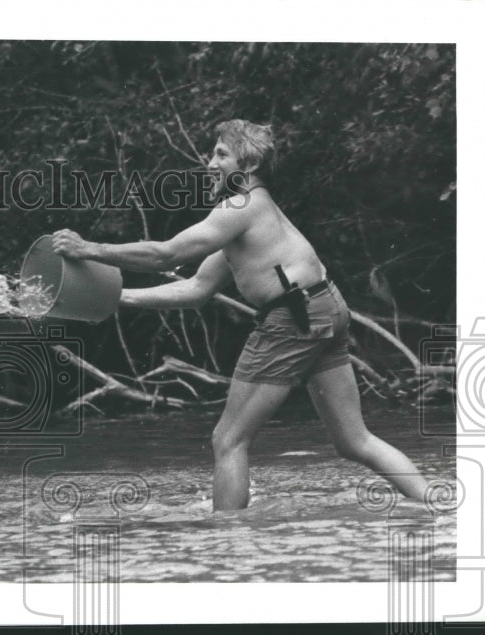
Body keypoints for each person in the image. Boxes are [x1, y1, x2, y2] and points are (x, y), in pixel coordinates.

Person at [52, 119, 429, 511]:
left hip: (293, 318)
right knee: (354, 441)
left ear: (247, 166)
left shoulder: (240, 206)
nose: (210, 163)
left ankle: (229, 539)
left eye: (221, 154)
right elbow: (197, 289)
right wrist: (119, 298)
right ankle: (435, 504)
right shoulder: (252, 214)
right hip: (324, 307)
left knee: (228, 440)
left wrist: (89, 248)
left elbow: (167, 254)